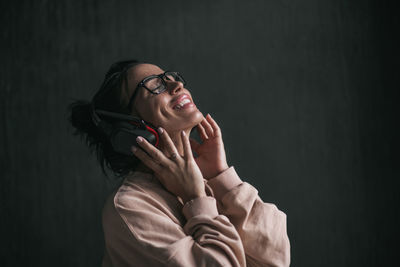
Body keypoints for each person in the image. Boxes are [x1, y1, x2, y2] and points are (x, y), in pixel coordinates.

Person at [69, 60, 290, 267]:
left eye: (169, 77)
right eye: (154, 85)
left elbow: (275, 260)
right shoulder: (129, 208)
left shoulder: (206, 182)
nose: (177, 84)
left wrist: (220, 175)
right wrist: (196, 200)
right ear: (130, 130)